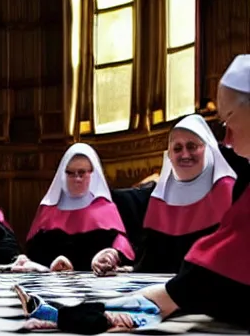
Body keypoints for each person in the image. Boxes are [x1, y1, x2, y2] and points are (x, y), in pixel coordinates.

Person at [15, 54, 250, 332]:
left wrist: (69, 316)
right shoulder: (161, 196)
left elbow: (200, 280)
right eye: (176, 148)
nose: (228, 139)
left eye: (229, 121)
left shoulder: (236, 186)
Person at [92, 114, 237, 275]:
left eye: (192, 146)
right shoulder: (161, 198)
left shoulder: (230, 191)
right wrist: (116, 264)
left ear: (208, 149)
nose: (185, 154)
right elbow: (151, 264)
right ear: (169, 155)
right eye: (177, 148)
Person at [16, 143, 134, 273]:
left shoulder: (106, 209)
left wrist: (112, 254)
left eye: (82, 173)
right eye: (70, 173)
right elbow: (33, 255)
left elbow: (123, 251)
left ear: (92, 174)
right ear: (62, 174)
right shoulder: (48, 210)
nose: (77, 179)